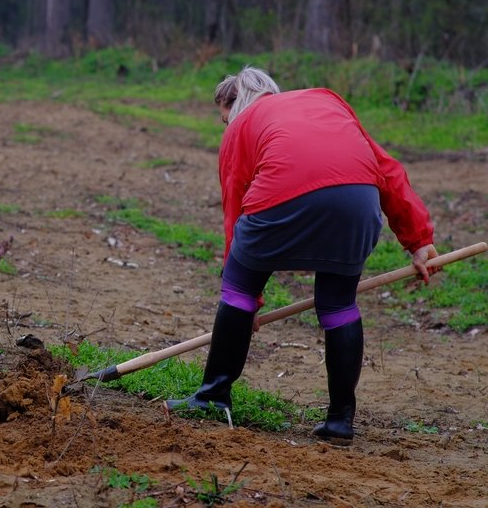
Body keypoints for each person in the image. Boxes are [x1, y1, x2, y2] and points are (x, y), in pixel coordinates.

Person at [165, 66, 439, 443]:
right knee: (338, 305)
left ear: (236, 105)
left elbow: (235, 207)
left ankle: (213, 397)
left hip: (282, 196)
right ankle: (341, 421)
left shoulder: (242, 127)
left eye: (223, 119)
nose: (225, 126)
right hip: (358, 201)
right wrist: (419, 240)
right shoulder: (326, 99)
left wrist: (246, 301)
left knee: (238, 291)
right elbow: (387, 170)